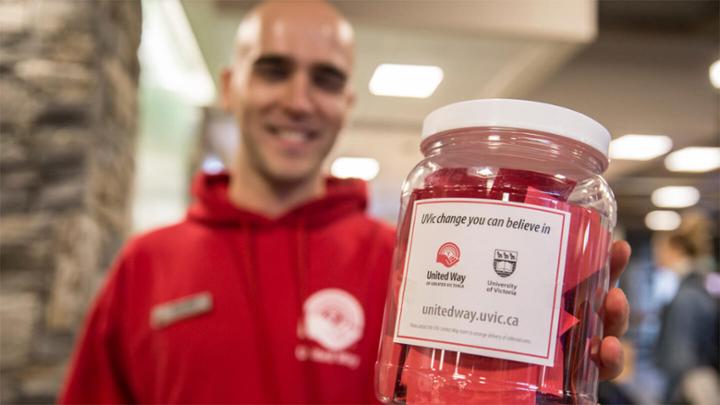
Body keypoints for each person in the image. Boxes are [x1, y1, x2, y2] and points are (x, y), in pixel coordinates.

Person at [59, 1, 632, 403]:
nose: (299, 100)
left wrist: (550, 368)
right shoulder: (146, 265)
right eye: (274, 70)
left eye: (325, 79)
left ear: (347, 102)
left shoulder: (409, 260)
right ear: (231, 85)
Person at [653, 212, 719, 405]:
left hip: (688, 390)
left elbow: (678, 360)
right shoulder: (698, 288)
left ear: (676, 249)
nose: (658, 255)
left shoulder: (686, 297)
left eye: (660, 249)